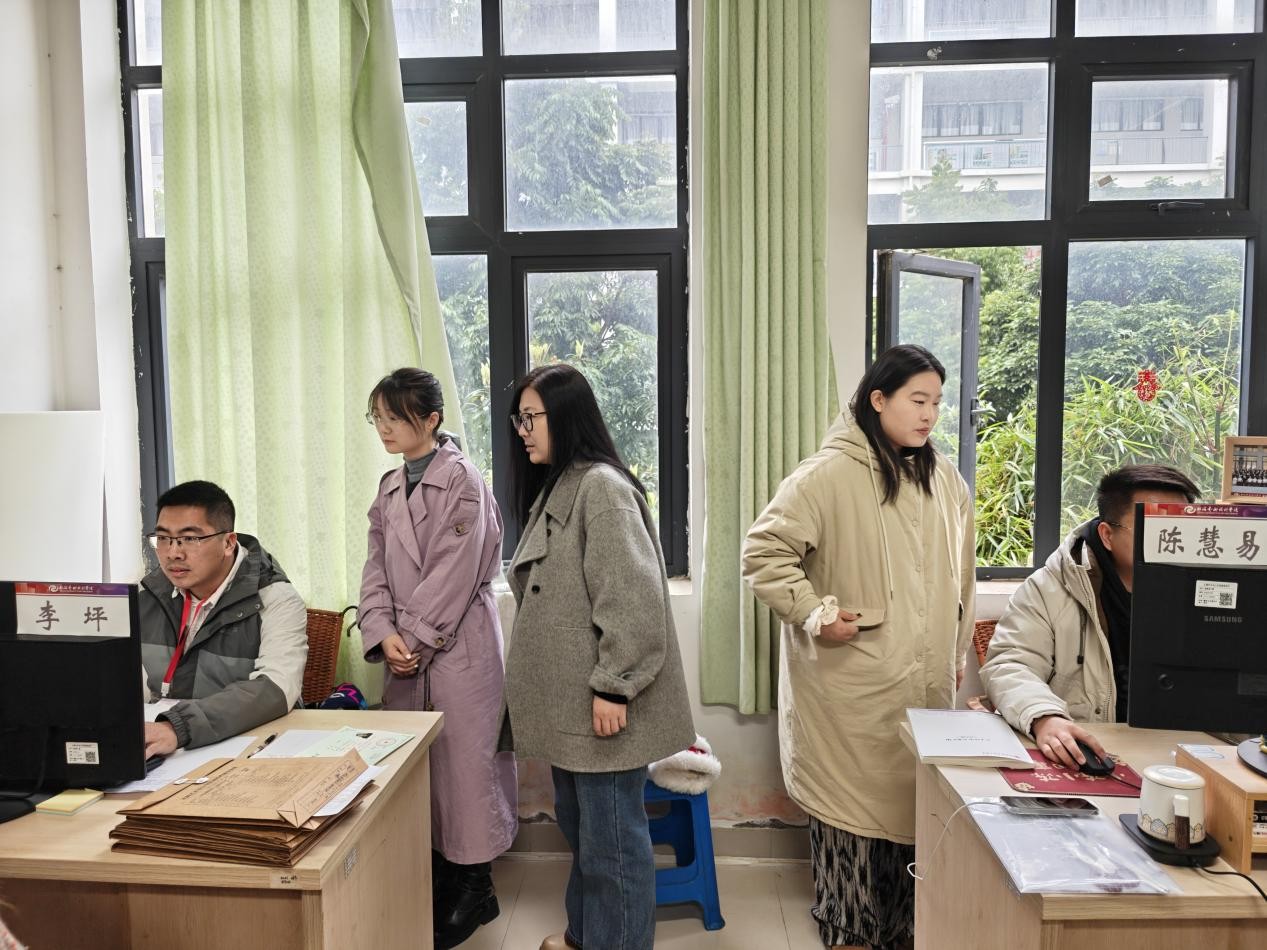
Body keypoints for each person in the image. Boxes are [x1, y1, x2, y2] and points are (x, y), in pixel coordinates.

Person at [743, 344, 975, 950]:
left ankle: (901, 934)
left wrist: (956, 653)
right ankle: (847, 934)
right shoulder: (827, 475)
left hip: (922, 688)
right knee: (851, 827)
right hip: (848, 693)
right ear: (878, 400)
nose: (929, 415)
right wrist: (816, 613)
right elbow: (763, 554)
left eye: (937, 403)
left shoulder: (946, 481)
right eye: (917, 400)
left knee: (913, 825)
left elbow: (962, 581)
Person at [499, 363, 695, 950]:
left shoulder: (602, 489)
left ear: (565, 417)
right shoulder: (565, 483)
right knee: (585, 832)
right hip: (573, 706)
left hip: (601, 703)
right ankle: (585, 935)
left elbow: (631, 598)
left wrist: (614, 684)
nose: (523, 431)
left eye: (531, 419)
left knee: (612, 844)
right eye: (519, 420)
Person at [358, 368, 517, 950]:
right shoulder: (388, 487)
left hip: (459, 647)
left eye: (395, 418)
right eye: (378, 418)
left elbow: (454, 573)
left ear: (431, 419)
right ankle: (444, 878)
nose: (384, 429)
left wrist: (414, 639)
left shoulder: (463, 481)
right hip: (404, 647)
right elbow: (374, 571)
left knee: (465, 767)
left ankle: (476, 886)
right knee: (418, 770)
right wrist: (381, 632)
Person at [980, 464, 1199, 769]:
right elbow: (1011, 664)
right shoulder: (1051, 588)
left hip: (1188, 756)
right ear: (1107, 535)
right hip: (1093, 752)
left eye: (1182, 528)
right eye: (1155, 528)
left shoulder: (1209, 592)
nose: (1172, 540)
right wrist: (1045, 717)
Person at [140, 480, 308, 756]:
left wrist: (178, 727)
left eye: (190, 539)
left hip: (253, 747)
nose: (173, 553)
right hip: (169, 747)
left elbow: (276, 688)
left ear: (229, 542)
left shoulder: (275, 598)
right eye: (163, 538)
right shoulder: (148, 595)